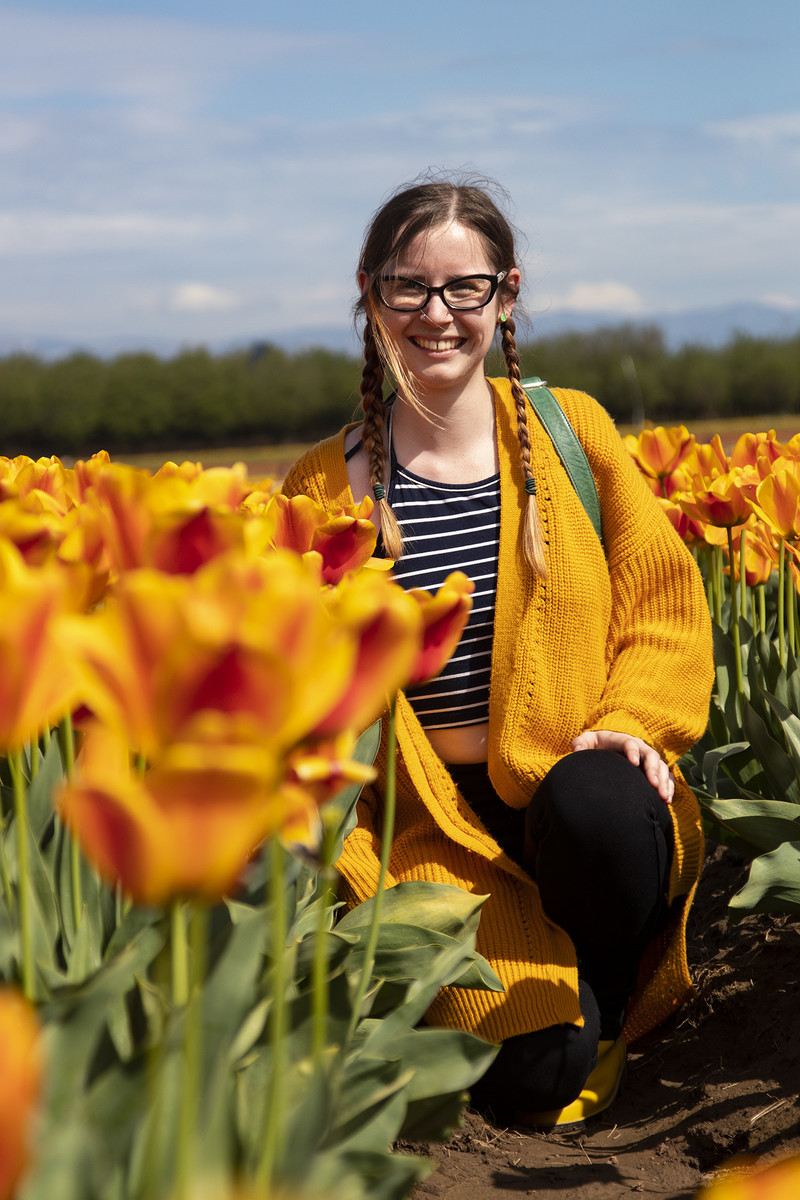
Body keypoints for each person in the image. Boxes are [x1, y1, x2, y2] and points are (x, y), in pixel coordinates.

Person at [281, 176, 714, 1129]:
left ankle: (605, 980)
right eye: (407, 288)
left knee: (598, 803)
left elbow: (664, 603)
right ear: (369, 294)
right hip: (428, 826)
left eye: (462, 289)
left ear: (504, 295)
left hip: (572, 794)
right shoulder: (326, 481)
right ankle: (567, 1021)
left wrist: (630, 723)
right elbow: (298, 677)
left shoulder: (570, 433)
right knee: (531, 1081)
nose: (435, 315)